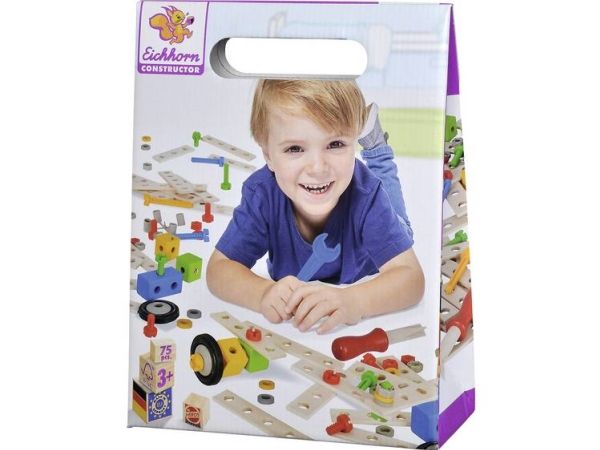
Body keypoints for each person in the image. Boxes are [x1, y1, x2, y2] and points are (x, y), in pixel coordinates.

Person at [207, 80, 424, 333]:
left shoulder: (366, 194)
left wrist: (354, 300)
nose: (318, 168)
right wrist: (262, 293)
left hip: (382, 222)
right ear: (268, 156)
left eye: (335, 144)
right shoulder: (262, 195)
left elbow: (411, 278)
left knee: (394, 205)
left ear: (352, 143)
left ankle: (376, 146)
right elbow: (218, 269)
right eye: (295, 149)